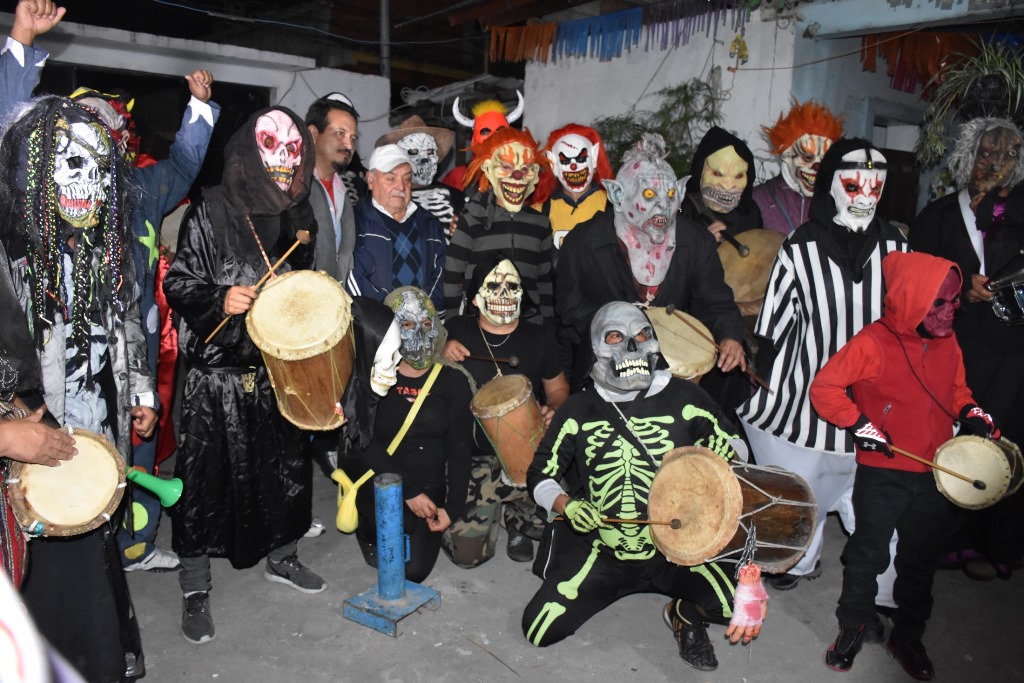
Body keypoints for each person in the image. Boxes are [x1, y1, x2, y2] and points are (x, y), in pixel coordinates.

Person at [0, 95, 157, 682]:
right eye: (70, 161)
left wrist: (140, 392)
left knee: (91, 569)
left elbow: (127, 326)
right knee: (44, 592)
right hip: (28, 465)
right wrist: (13, 431)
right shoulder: (11, 257)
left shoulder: (104, 250)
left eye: (98, 164)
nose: (87, 179)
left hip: (92, 439)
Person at [522, 301, 764, 672]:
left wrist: (711, 461)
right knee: (539, 629)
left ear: (656, 345)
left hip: (675, 551)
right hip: (603, 549)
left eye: (641, 336)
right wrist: (565, 505)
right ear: (595, 349)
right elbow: (540, 474)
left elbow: (738, 449)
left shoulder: (684, 399)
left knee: (742, 605)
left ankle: (682, 611)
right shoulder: (579, 410)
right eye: (616, 338)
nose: (632, 349)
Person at [163, 106, 323, 646]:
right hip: (217, 376)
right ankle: (194, 585)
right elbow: (178, 284)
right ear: (248, 153)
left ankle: (283, 555)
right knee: (204, 484)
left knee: (284, 471)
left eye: (293, 148)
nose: (285, 159)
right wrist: (218, 298)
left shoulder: (301, 214)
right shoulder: (209, 210)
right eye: (272, 146)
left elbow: (306, 291)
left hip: (277, 371)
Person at [810, 251, 1000, 680]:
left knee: (920, 560)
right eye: (940, 302)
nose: (951, 311)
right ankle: (853, 626)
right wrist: (859, 423)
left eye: (954, 302)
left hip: (936, 472)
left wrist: (970, 411)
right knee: (866, 555)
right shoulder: (872, 343)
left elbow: (955, 389)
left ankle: (908, 635)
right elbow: (825, 388)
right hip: (884, 470)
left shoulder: (948, 340)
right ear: (911, 298)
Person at [736, 138, 908, 594]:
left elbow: (909, 316)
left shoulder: (897, 244)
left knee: (875, 498)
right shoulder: (801, 244)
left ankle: (878, 590)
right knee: (804, 485)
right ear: (831, 185)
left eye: (876, 184)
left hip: (873, 394)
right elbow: (774, 318)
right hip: (807, 391)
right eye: (854, 183)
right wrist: (765, 371)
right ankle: (799, 556)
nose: (866, 195)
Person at [71, 69, 220, 573]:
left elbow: (184, 163)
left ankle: (138, 543)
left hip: (141, 341)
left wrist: (198, 107)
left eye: (108, 119)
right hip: (79, 351)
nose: (99, 128)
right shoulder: (54, 199)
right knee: (88, 449)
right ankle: (93, 556)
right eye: (84, 120)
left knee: (142, 440)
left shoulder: (139, 187)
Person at [911, 117, 1024, 580]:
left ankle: (996, 543)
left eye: (1008, 155)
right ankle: (945, 540)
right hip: (957, 350)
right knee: (957, 440)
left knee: (1006, 441)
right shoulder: (938, 215)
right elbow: (913, 277)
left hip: (1013, 356)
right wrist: (960, 282)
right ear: (967, 156)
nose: (995, 164)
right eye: (986, 154)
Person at [556, 133, 746, 391]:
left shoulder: (696, 241)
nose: (663, 206)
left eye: (669, 194)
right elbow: (569, 308)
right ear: (618, 195)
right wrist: (617, 327)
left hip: (673, 373)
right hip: (603, 372)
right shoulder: (583, 243)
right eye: (648, 194)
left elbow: (714, 301)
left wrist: (730, 336)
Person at [441, 256, 569, 564]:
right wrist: (439, 351)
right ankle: (493, 508)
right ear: (475, 297)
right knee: (467, 555)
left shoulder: (540, 338)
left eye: (512, 286)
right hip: (470, 458)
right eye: (494, 286)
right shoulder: (455, 329)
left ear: (523, 295)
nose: (504, 295)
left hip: (527, 450)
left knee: (566, 525)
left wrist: (554, 408)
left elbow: (559, 389)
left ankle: (519, 520)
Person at [344, 287, 474, 582]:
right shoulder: (375, 375)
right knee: (384, 547)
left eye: (426, 324)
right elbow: (362, 439)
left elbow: (459, 449)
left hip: (429, 484)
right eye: (406, 324)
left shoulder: (452, 380)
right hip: (379, 475)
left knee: (412, 572)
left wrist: (452, 508)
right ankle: (367, 525)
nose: (418, 332)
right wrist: (408, 490)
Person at [444, 127, 555, 323]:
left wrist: (546, 324)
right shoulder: (471, 219)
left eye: (525, 169)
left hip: (529, 326)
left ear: (535, 174)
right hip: (480, 326)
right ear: (487, 170)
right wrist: (455, 326)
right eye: (506, 167)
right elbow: (452, 275)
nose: (517, 176)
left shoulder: (541, 224)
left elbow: (544, 280)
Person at [348, 144, 446, 314]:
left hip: (422, 326)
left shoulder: (430, 224)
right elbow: (352, 277)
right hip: (375, 329)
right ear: (371, 180)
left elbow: (441, 275)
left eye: (407, 179)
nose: (401, 187)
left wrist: (421, 314)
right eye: (391, 178)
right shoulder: (354, 222)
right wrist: (389, 318)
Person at [752, 99, 843, 236]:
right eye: (807, 157)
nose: (817, 167)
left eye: (824, 160)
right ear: (786, 154)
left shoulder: (833, 203)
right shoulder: (759, 199)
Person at [376, 115, 464, 240]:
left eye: (429, 152)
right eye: (413, 152)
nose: (424, 159)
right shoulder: (383, 197)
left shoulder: (457, 198)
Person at [305, 91, 359, 283]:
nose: (348, 144)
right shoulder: (292, 188)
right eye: (340, 133)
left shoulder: (345, 192)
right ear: (312, 133)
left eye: (353, 138)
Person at [532, 123, 613, 249]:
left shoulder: (614, 208)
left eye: (581, 159)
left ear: (594, 158)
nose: (573, 166)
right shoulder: (537, 213)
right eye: (565, 161)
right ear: (553, 164)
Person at [680, 125, 762, 243]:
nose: (727, 185)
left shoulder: (750, 212)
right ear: (700, 170)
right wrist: (701, 245)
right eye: (717, 174)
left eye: (738, 176)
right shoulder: (684, 210)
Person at [442, 92, 524, 191]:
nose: (494, 137)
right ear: (474, 140)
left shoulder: (522, 173)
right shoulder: (458, 175)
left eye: (500, 130)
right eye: (485, 132)